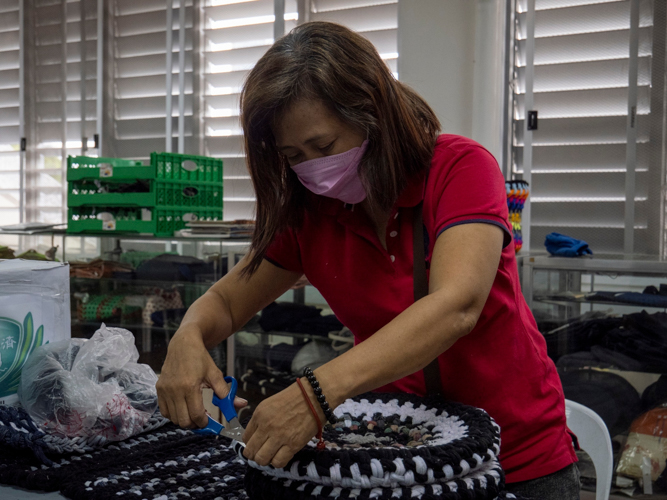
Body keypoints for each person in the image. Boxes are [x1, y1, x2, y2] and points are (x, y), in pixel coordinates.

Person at [156, 21, 580, 500]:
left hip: (516, 460)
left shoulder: (460, 169)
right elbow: (228, 303)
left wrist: (315, 394)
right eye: (293, 155)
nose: (311, 167)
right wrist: (187, 338)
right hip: (396, 458)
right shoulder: (311, 212)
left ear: (374, 113)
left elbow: (457, 304)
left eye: (323, 147)